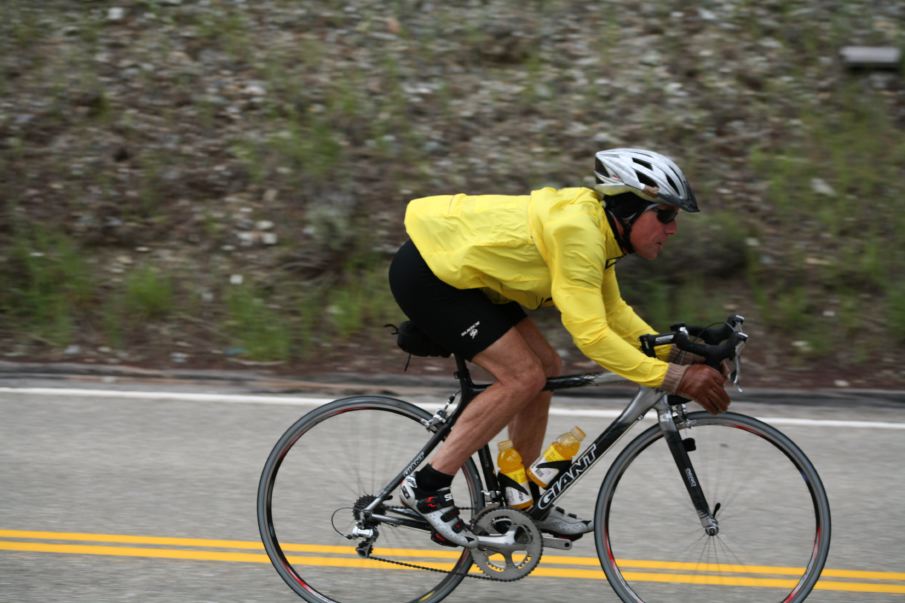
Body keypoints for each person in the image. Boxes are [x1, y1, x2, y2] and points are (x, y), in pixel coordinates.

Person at [388, 148, 731, 548]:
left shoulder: (601, 234)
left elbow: (613, 313)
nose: (672, 229)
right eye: (666, 215)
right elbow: (592, 337)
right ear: (631, 210)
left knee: (546, 368)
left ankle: (519, 500)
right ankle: (427, 486)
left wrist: (676, 353)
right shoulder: (578, 234)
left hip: (470, 280)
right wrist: (674, 377)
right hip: (432, 274)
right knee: (523, 376)